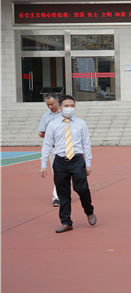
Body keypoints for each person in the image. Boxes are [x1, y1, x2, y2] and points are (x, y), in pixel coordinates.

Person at [40, 95, 96, 233]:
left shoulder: (81, 123)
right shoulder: (53, 125)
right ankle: (66, 222)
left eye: (72, 106)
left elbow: (86, 144)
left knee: (82, 188)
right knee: (63, 193)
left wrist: (88, 163)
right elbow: (47, 144)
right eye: (66, 106)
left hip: (77, 160)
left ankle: (89, 211)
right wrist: (43, 164)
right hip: (60, 161)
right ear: (60, 107)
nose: (69, 108)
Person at [38, 93, 63, 207]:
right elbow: (41, 132)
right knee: (56, 172)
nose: (50, 107)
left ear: (58, 102)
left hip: (65, 147)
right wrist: (43, 134)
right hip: (53, 148)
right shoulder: (45, 116)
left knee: (66, 172)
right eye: (48, 105)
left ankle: (63, 193)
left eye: (52, 104)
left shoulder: (64, 114)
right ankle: (57, 197)